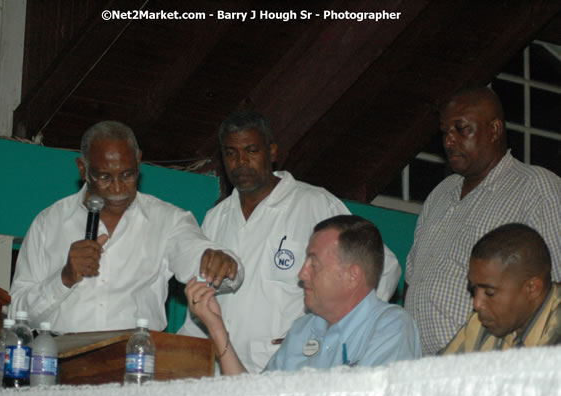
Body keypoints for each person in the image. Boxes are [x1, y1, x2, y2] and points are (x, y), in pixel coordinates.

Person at [178, 110, 402, 373]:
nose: (241, 162)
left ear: (272, 152)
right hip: (223, 374)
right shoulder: (216, 217)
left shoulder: (313, 204)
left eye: (251, 150)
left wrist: (333, 332)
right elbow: (201, 301)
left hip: (289, 373)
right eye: (231, 153)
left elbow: (385, 266)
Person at [10, 121, 242, 333]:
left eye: (127, 174)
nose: (118, 187)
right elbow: (17, 314)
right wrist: (64, 278)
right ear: (83, 169)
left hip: (137, 365)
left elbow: (200, 258)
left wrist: (223, 264)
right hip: (60, 365)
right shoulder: (48, 223)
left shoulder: (167, 220)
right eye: (104, 177)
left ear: (139, 160)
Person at [404, 87, 561, 355]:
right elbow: (411, 279)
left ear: (495, 129)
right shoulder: (440, 193)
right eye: (445, 132)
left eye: (461, 129)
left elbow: (552, 286)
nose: (449, 142)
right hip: (421, 366)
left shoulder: (536, 186)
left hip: (488, 365)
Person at [186, 215, 421, 375]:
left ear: (353, 276)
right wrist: (216, 329)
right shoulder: (302, 329)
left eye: (314, 264)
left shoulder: (390, 326)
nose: (301, 273)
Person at [443, 223, 560, 353]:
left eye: (489, 293)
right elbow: (437, 371)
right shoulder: (481, 323)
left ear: (532, 288)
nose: (476, 304)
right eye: (473, 289)